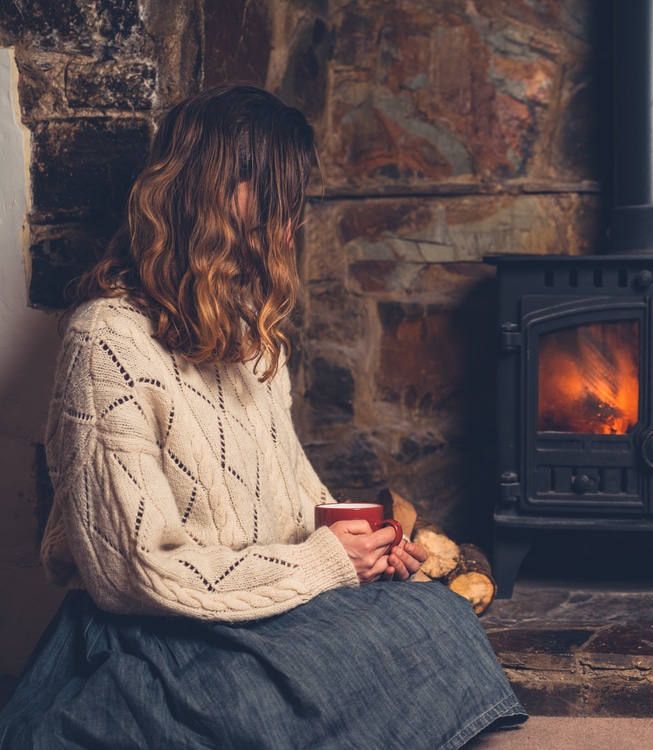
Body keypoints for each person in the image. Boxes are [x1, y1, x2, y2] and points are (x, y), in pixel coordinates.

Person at [0, 83, 527, 749]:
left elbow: (296, 498)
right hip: (161, 633)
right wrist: (324, 565)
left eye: (293, 197)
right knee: (297, 687)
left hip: (258, 602)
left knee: (432, 616)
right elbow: (132, 573)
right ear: (210, 192)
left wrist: (362, 547)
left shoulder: (250, 334)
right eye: (274, 195)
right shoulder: (105, 341)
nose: (290, 218)